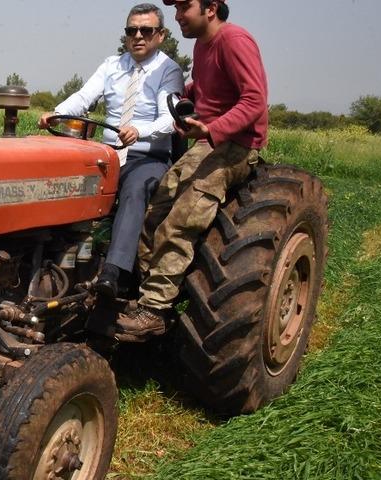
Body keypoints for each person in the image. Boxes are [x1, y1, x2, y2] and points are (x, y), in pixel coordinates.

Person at [115, 0, 269, 341]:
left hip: (236, 145)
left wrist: (212, 130)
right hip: (205, 144)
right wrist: (179, 99)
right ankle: (143, 295)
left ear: (211, 8)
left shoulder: (235, 40)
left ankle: (154, 310)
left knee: (182, 219)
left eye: (185, 6)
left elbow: (255, 100)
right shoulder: (202, 46)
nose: (178, 15)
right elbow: (201, 90)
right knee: (156, 208)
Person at [38, 3, 184, 300]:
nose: (138, 36)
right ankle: (52, 259)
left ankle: (113, 273)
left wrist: (140, 131)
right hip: (107, 153)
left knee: (134, 190)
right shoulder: (111, 66)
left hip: (147, 156)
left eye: (146, 30)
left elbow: (171, 118)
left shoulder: (168, 70)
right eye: (132, 30)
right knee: (61, 180)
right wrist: (56, 113)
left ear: (161, 35)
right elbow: (84, 97)